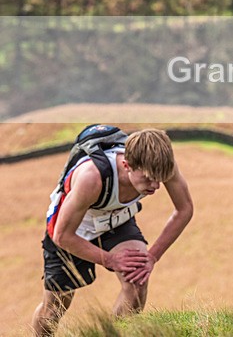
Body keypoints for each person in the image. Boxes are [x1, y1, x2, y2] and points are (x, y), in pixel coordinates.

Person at [31, 127, 193, 336]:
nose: (155, 186)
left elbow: (185, 209)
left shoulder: (161, 165)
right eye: (148, 178)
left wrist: (152, 257)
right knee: (54, 308)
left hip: (115, 220)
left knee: (137, 282)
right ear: (127, 165)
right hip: (71, 230)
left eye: (160, 179)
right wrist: (109, 259)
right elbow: (62, 235)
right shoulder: (92, 178)